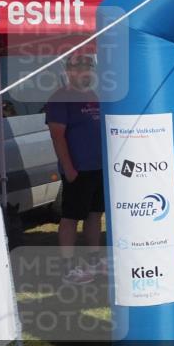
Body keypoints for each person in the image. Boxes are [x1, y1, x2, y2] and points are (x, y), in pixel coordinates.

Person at [45, 54, 105, 284]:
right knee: (71, 217)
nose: (86, 71)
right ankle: (67, 268)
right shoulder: (60, 98)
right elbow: (57, 135)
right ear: (69, 71)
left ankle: (93, 260)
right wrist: (69, 169)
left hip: (98, 167)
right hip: (78, 170)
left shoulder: (93, 95)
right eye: (80, 67)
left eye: (89, 67)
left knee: (94, 215)